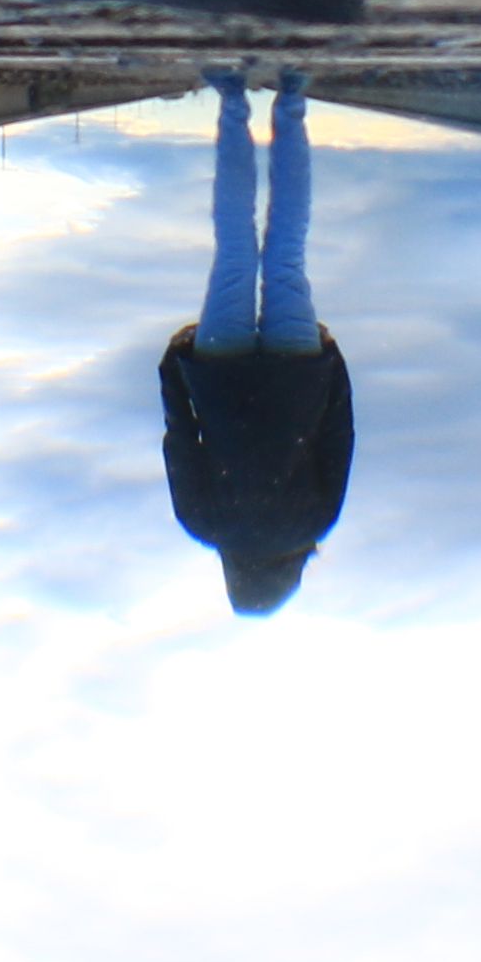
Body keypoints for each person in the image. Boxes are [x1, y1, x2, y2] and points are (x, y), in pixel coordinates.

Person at [161, 66, 355, 614]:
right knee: (234, 240)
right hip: (220, 370)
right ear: (235, 579)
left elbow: (337, 433)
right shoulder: (203, 525)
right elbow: (179, 436)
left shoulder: (316, 522)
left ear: (284, 578)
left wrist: (332, 361)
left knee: (288, 242)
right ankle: (231, 97)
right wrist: (173, 365)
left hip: (297, 369)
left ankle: (292, 95)